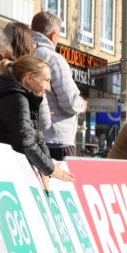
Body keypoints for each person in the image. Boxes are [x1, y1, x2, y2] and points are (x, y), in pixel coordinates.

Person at [0, 55, 74, 191]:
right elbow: (25, 141)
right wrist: (50, 169)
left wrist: (46, 167)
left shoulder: (23, 96)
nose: (49, 88)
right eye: (46, 80)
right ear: (29, 77)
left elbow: (37, 136)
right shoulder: (16, 98)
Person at [31, 11, 87, 160]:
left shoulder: (26, 54)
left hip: (32, 139)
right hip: (57, 140)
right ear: (53, 35)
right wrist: (82, 104)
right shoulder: (54, 59)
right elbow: (69, 102)